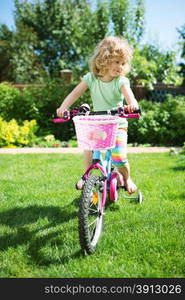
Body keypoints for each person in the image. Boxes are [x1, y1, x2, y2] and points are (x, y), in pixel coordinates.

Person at [57, 36, 139, 194]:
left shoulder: (120, 81)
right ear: (104, 59)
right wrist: (63, 107)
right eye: (116, 61)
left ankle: (127, 178)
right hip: (98, 124)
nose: (120, 66)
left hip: (118, 125)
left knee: (119, 157)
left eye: (123, 63)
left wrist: (132, 105)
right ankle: (87, 175)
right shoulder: (91, 79)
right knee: (87, 146)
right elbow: (74, 94)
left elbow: (130, 96)